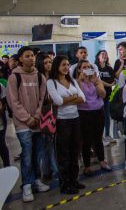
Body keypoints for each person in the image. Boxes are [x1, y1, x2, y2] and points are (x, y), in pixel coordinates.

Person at [6, 46, 50, 202]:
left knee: (37, 154)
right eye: (27, 56)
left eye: (32, 55)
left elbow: (41, 99)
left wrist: (37, 116)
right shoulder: (14, 77)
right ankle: (26, 185)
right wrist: (27, 118)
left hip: (37, 122)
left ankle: (37, 180)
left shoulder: (40, 77)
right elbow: (13, 101)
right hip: (23, 124)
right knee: (26, 154)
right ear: (20, 59)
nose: (31, 58)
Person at [47, 55, 86, 195]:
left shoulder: (73, 81)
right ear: (57, 66)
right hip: (61, 121)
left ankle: (74, 179)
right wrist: (74, 98)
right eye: (63, 64)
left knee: (75, 151)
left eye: (68, 65)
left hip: (75, 119)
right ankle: (65, 183)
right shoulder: (51, 82)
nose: (66, 67)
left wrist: (67, 99)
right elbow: (57, 101)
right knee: (63, 153)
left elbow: (83, 98)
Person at [74, 60, 111, 176]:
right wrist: (81, 80)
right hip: (84, 112)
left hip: (98, 111)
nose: (87, 69)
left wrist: (95, 83)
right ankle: (87, 165)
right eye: (84, 67)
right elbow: (78, 95)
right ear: (79, 69)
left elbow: (103, 94)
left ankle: (102, 160)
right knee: (86, 139)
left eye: (89, 67)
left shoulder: (96, 80)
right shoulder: (76, 82)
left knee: (98, 138)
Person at [35, 53, 58, 183]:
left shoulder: (54, 78)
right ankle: (52, 171)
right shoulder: (38, 78)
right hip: (44, 114)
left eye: (50, 62)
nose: (49, 64)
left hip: (54, 113)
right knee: (46, 145)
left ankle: (49, 171)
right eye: (45, 63)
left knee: (51, 144)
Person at [95, 50, 116, 145]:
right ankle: (99, 137)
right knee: (99, 118)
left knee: (107, 117)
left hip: (107, 95)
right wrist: (108, 84)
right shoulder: (95, 67)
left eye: (105, 54)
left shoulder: (109, 68)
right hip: (97, 96)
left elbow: (113, 80)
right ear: (98, 56)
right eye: (102, 54)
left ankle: (107, 135)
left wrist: (109, 84)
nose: (104, 56)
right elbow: (97, 80)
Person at [0, 80, 9, 168]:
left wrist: (1, 108)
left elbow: (4, 101)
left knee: (2, 144)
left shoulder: (0, 86)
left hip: (1, 123)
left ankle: (7, 167)